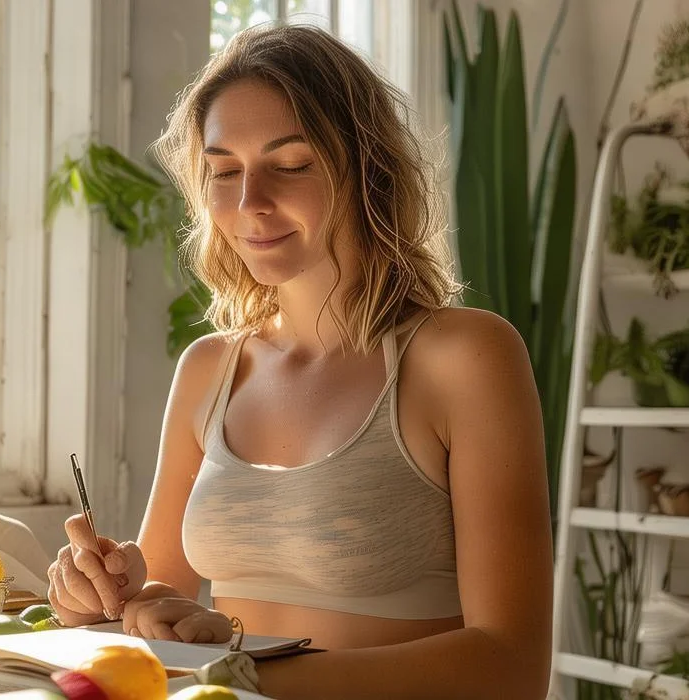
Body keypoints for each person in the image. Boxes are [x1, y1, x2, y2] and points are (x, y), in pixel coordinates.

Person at [47, 23, 553, 700]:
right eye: (224, 171)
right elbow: (161, 598)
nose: (249, 201)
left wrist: (247, 671)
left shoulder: (464, 358)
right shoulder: (208, 369)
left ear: (366, 169)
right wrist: (107, 597)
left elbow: (512, 666)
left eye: (290, 164)